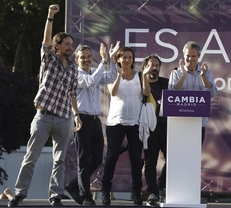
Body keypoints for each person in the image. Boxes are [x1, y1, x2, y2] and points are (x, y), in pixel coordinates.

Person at [8, 4, 82, 207]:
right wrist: (50, 16)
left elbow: (73, 93)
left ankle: (55, 195)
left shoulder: (74, 68)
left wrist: (76, 115)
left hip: (64, 117)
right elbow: (46, 40)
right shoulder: (48, 59)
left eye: (71, 44)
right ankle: (20, 193)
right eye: (67, 44)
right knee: (31, 157)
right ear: (57, 46)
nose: (70, 47)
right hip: (43, 115)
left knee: (59, 160)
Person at [64, 41, 120, 206]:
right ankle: (86, 196)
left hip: (95, 120)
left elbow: (110, 77)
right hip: (81, 119)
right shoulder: (75, 74)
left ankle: (73, 186)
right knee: (83, 160)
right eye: (83, 57)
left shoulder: (95, 71)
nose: (87, 59)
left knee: (96, 159)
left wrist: (113, 59)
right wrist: (104, 60)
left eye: (89, 56)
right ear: (76, 60)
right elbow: (90, 82)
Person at [101, 47, 152, 206]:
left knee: (136, 159)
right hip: (115, 122)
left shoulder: (139, 75)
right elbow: (113, 92)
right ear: (118, 59)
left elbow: (146, 92)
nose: (127, 60)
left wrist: (144, 74)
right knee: (112, 157)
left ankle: (137, 193)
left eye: (130, 57)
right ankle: (105, 191)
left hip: (135, 122)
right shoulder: (113, 74)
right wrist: (118, 75)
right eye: (124, 57)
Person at [168, 41, 217, 144]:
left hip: (199, 122)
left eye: (193, 56)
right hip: (179, 121)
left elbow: (212, 93)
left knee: (195, 154)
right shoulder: (176, 72)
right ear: (184, 55)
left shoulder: (206, 72)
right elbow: (171, 93)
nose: (190, 59)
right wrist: (183, 75)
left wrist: (203, 77)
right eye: (187, 56)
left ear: (198, 56)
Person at [142, 54, 169, 207]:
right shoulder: (140, 82)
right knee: (150, 162)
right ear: (145, 66)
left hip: (166, 127)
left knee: (172, 159)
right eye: (151, 65)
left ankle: (161, 187)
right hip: (149, 128)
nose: (154, 67)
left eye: (157, 65)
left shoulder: (166, 82)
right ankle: (152, 193)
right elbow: (144, 95)